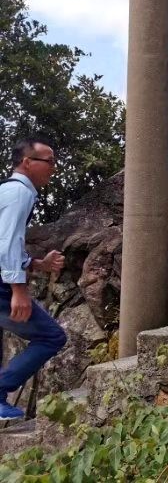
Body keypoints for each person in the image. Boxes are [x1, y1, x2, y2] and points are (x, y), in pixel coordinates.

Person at [0, 138, 67, 420]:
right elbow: (7, 243)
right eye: (49, 161)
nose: (54, 167)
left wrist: (38, 263)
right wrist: (19, 289)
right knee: (52, 336)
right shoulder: (19, 193)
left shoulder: (10, 191)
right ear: (27, 163)